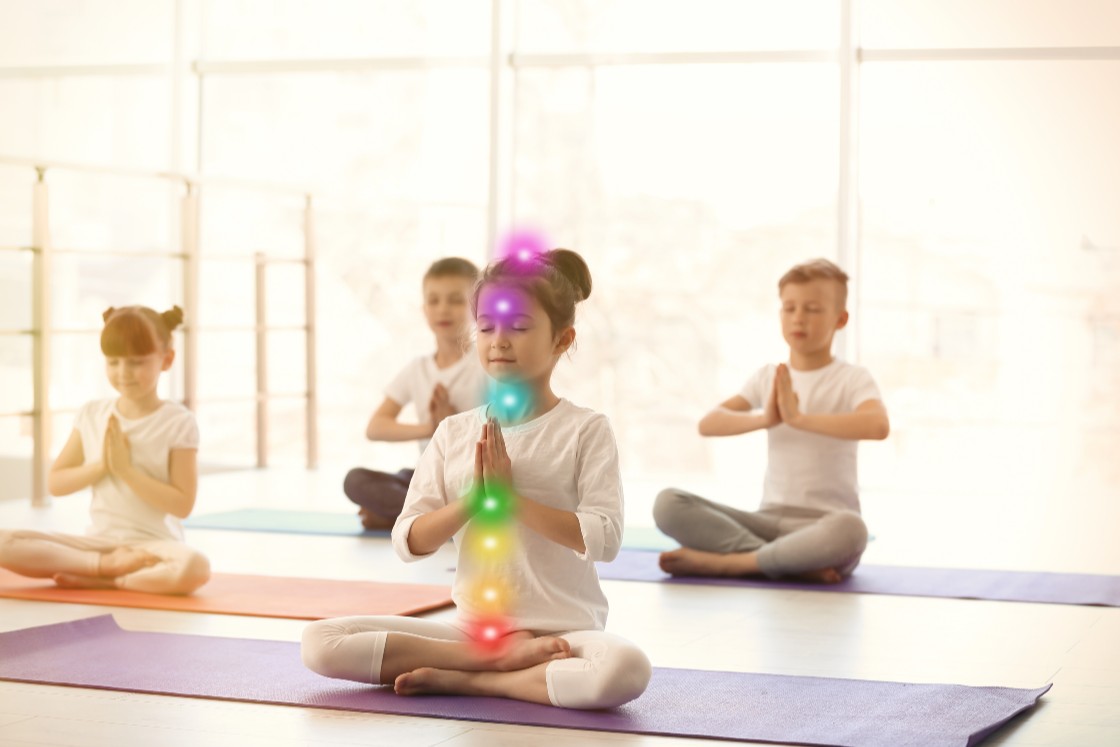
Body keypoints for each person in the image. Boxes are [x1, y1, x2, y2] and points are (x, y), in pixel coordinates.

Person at [302, 248, 651, 709]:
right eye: (486, 327)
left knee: (625, 670)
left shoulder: (586, 429)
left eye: (519, 327)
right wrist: (472, 502)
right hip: (472, 631)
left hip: (567, 633)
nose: (498, 341)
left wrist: (512, 501)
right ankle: (493, 660)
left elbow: (604, 540)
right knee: (321, 641)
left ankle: (480, 680)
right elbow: (408, 540)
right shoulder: (454, 431)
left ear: (562, 339)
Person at [654, 259, 890, 583]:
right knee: (668, 503)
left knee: (853, 530)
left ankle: (730, 564)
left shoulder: (852, 378)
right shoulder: (768, 377)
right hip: (765, 523)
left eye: (813, 309)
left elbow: (877, 425)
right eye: (789, 308)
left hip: (824, 528)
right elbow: (709, 423)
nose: (799, 318)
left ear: (841, 319)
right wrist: (767, 418)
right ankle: (784, 563)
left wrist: (800, 419)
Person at [0, 305, 210, 594]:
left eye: (136, 362)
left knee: (195, 567)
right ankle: (103, 565)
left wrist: (125, 469)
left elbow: (182, 504)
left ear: (166, 360)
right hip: (99, 544)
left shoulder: (178, 422)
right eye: (113, 362)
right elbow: (56, 483)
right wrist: (102, 466)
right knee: (3, 543)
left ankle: (110, 579)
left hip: (156, 546)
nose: (123, 372)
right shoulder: (92, 414)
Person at [344, 257, 486, 530]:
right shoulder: (417, 369)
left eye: (456, 300)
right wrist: (430, 428)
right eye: (434, 301)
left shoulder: (486, 366)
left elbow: (511, 433)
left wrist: (452, 426)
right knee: (356, 480)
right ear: (424, 309)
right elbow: (375, 428)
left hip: (472, 483)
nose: (443, 309)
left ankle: (414, 519)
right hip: (428, 482)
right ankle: (438, 520)